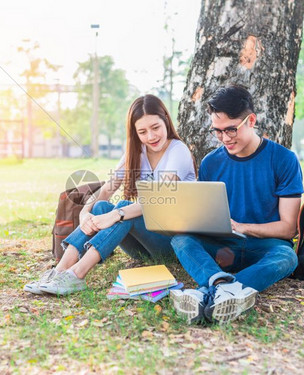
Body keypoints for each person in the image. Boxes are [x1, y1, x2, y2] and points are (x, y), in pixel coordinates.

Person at [24, 94, 196, 295]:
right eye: (142, 131)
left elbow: (159, 199)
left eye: (155, 127)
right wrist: (85, 213)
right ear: (135, 133)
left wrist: (117, 214)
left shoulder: (178, 151)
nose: (151, 136)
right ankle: (59, 271)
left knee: (121, 210)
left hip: (172, 243)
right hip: (142, 247)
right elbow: (107, 189)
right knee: (100, 207)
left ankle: (76, 275)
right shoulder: (137, 152)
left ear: (166, 119)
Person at [169, 85, 303, 324]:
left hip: (266, 246)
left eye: (231, 129)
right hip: (223, 245)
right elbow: (205, 213)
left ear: (251, 121)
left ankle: (208, 293)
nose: (224, 138)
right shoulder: (211, 162)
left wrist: (243, 227)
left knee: (287, 258)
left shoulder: (284, 160)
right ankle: (223, 287)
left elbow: (288, 228)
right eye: (217, 131)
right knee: (181, 240)